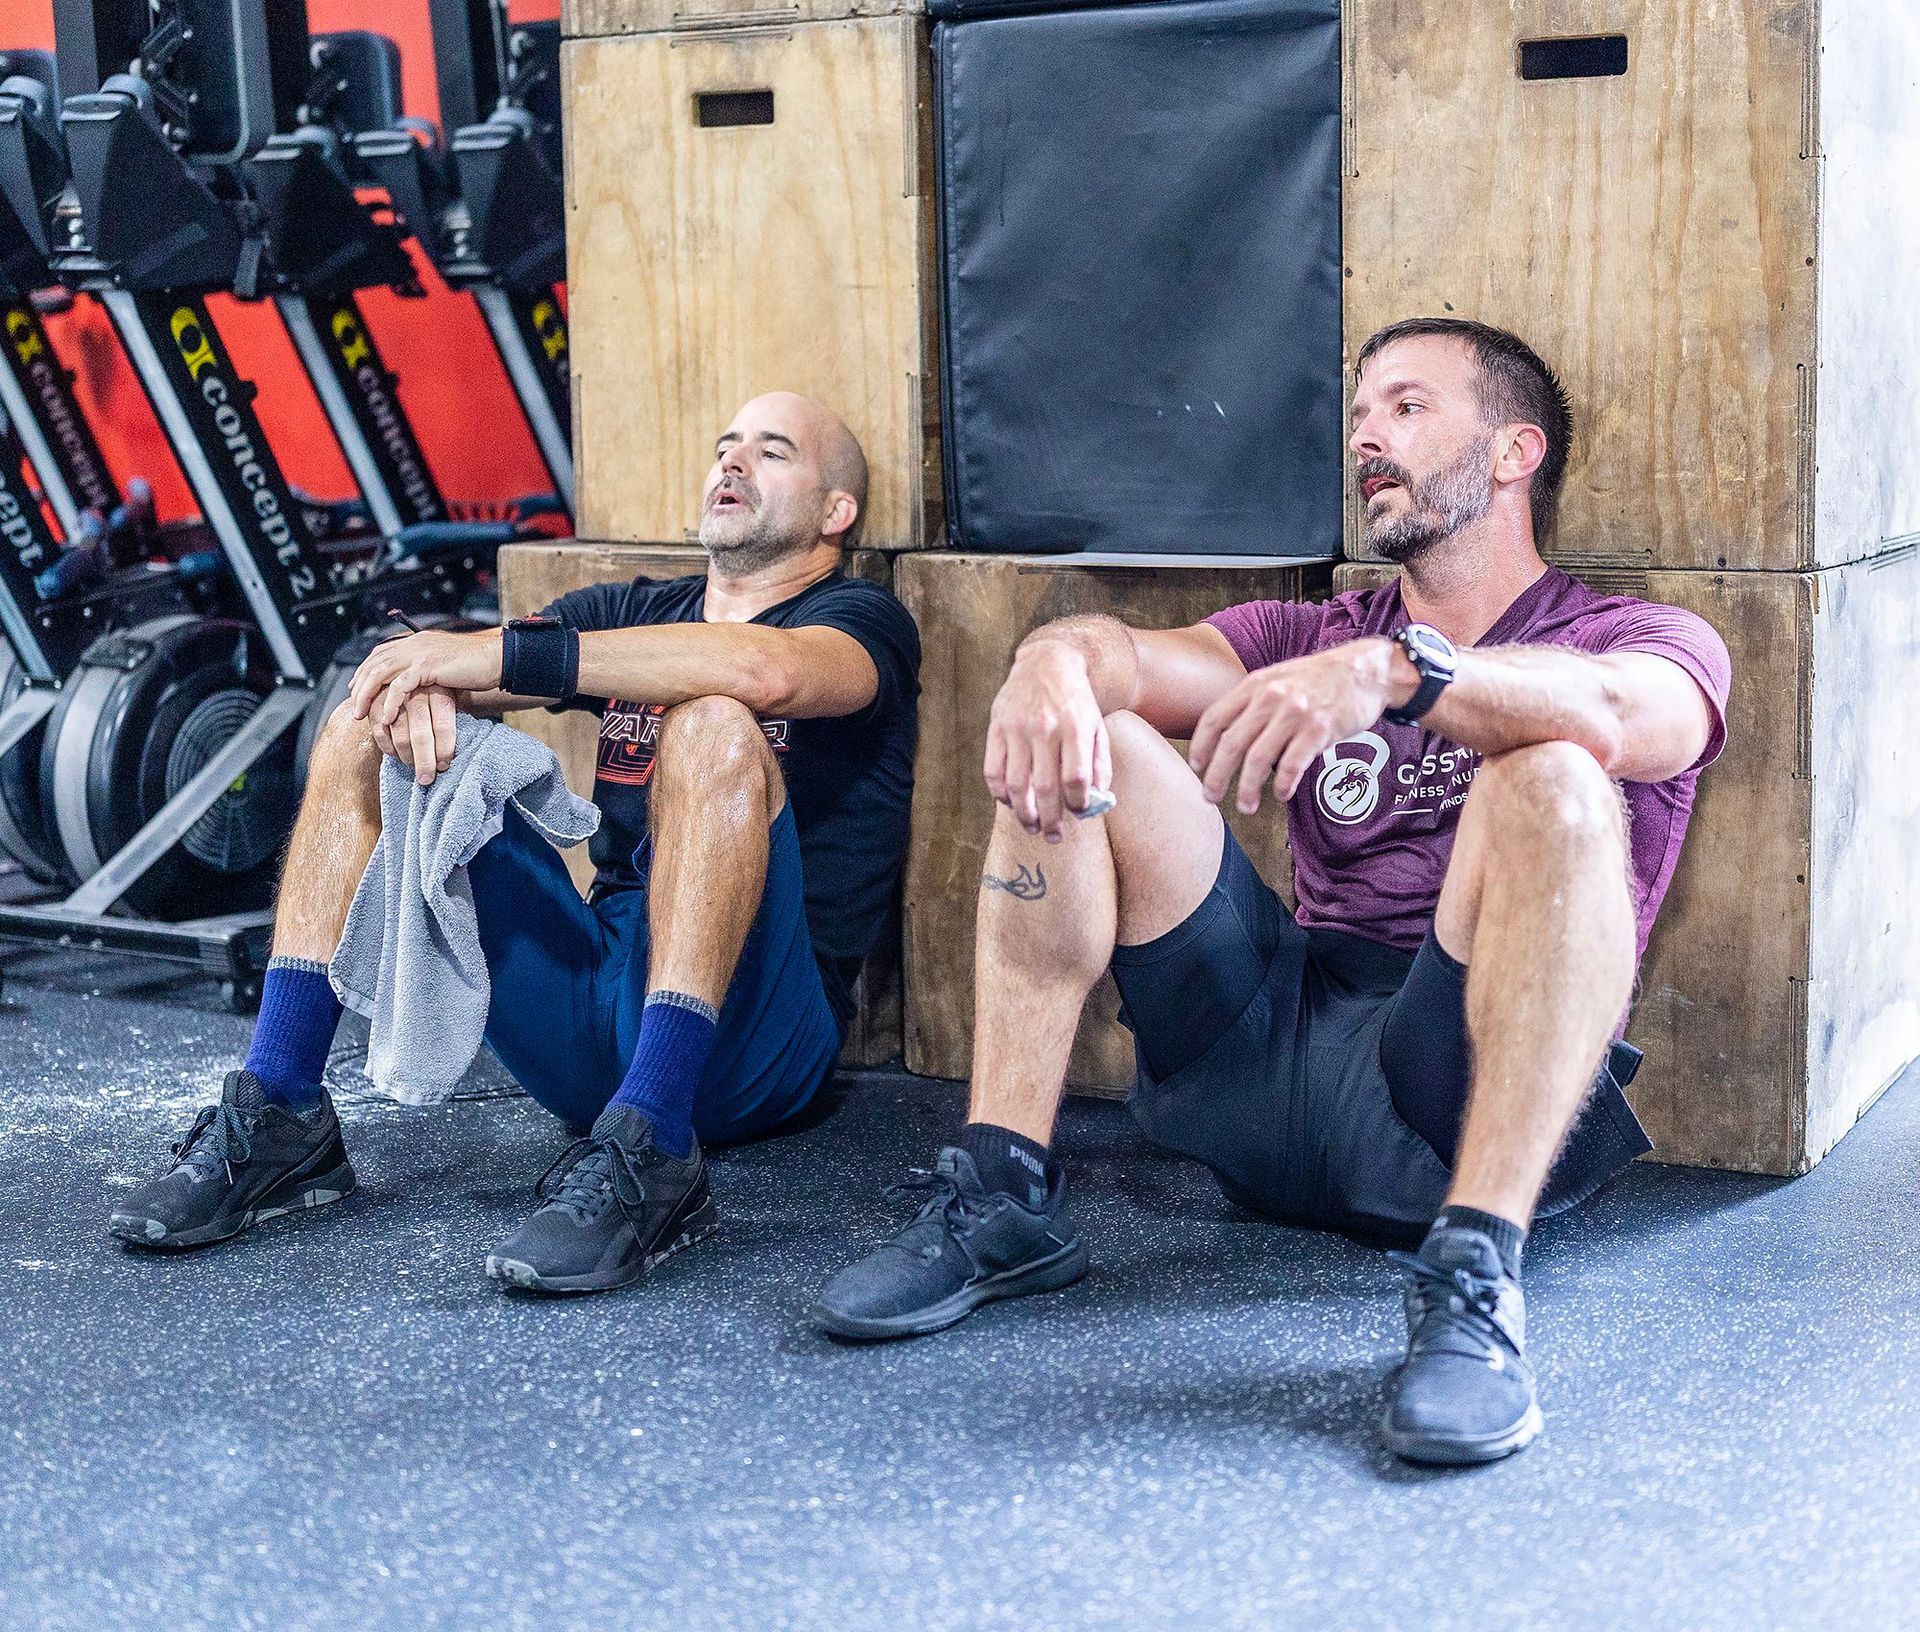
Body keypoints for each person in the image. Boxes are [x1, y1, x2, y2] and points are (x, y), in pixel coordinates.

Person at [815, 319, 1731, 1467]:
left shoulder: (1635, 635)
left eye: (1407, 407)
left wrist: (1401, 672)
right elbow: (1132, 661)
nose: (1367, 437)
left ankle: (1475, 1279)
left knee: (1550, 768)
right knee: (1083, 734)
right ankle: (998, 1191)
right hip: (1265, 1047)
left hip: (1447, 1083)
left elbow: (1620, 713)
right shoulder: (1315, 633)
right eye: (1359, 414)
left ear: (1512, 454)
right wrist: (1049, 664)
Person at [112, 392, 920, 1296]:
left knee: (716, 726)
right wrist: (417, 675)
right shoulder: (633, 611)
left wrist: (491, 662)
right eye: (726, 445)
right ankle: (282, 1110)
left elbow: (758, 670)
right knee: (361, 725)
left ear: (834, 513)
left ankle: (658, 1140)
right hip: (591, 1012)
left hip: (759, 1038)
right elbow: (443, 652)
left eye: (773, 453)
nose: (733, 462)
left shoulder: (864, 621)